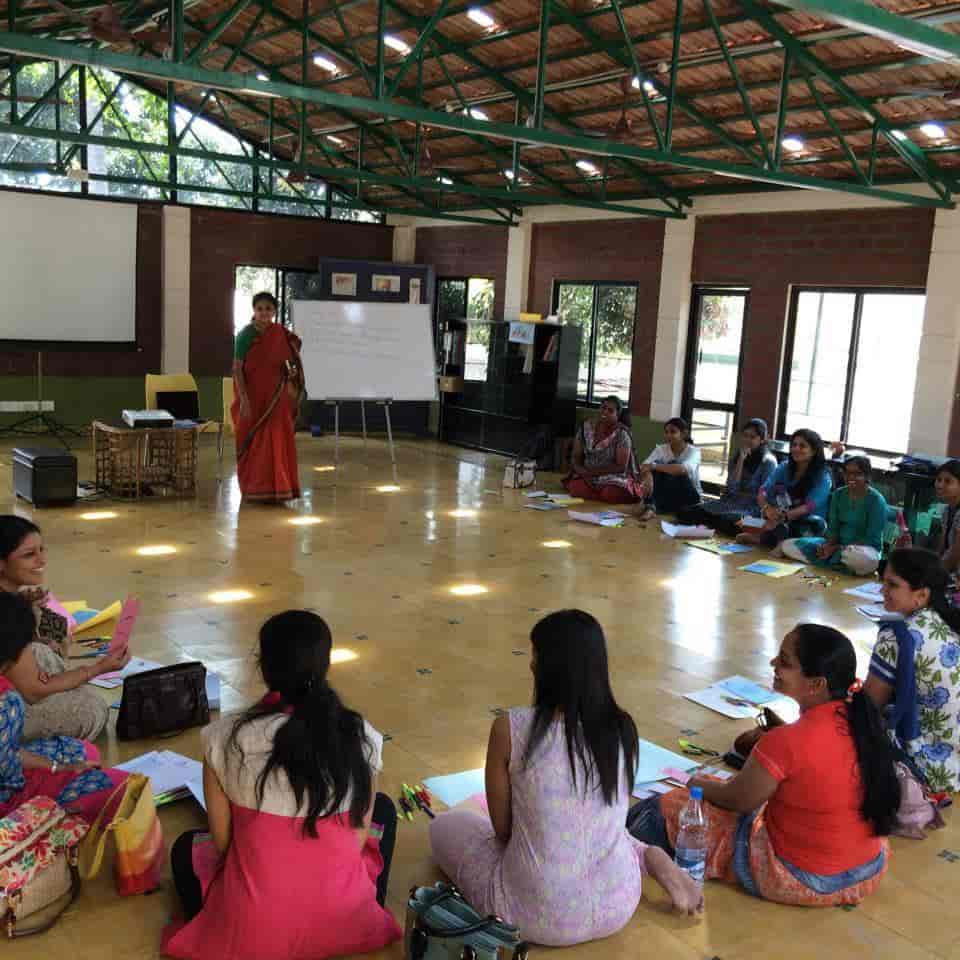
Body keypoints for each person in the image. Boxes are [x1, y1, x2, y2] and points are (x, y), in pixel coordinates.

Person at [429, 610, 703, 947]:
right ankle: (653, 857)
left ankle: (645, 857)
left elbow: (503, 832)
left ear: (550, 669)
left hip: (530, 914)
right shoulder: (622, 727)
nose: (530, 666)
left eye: (536, 657)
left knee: (445, 826)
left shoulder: (510, 728)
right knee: (596, 831)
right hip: (618, 903)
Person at [163, 610, 401, 960]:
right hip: (344, 922)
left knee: (186, 849)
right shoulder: (360, 738)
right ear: (326, 665)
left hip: (255, 930)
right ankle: (349, 913)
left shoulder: (222, 739)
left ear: (263, 668)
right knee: (383, 809)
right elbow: (358, 839)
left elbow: (226, 845)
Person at [629, 623, 899, 906]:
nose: (773, 664)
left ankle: (615, 856)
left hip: (806, 878)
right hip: (867, 868)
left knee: (669, 808)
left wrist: (697, 785)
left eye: (784, 662)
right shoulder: (863, 724)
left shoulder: (787, 740)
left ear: (816, 684)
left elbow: (739, 801)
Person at [0, 592, 128, 823]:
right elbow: (9, 780)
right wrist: (57, 781)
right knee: (120, 787)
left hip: (7, 762)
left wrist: (57, 768)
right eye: (29, 554)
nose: (40, 561)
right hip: (9, 802)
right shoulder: (7, 703)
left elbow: (8, 753)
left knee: (85, 752)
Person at [0, 516, 129, 741]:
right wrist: (98, 668)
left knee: (43, 652)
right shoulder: (8, 610)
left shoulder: (15, 602)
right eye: (29, 555)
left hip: (16, 684)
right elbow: (32, 689)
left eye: (41, 550)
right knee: (92, 708)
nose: (42, 560)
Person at [865, 548, 960, 793]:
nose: (881, 590)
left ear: (921, 596)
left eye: (892, 584)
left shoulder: (896, 637)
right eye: (883, 581)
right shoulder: (946, 624)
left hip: (927, 767)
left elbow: (867, 708)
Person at [232, 291, 305, 504]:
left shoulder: (281, 334)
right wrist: (244, 399)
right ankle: (254, 488)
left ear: (274, 311)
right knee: (253, 442)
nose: (264, 313)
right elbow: (237, 369)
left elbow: (292, 364)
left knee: (278, 440)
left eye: (268, 309)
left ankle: (279, 488)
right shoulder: (245, 335)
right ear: (254, 311)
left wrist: (292, 377)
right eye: (260, 308)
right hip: (253, 400)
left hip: (277, 399)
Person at [781, 456, 886, 576]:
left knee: (859, 559)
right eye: (847, 473)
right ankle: (836, 561)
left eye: (857, 474)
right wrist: (827, 546)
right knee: (788, 545)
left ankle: (836, 560)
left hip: (863, 550)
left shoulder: (876, 501)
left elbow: (871, 539)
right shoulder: (838, 495)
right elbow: (833, 529)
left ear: (867, 476)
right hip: (837, 547)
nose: (851, 477)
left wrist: (838, 548)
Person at [676, 418, 777, 536]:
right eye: (745, 436)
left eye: (752, 437)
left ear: (762, 439)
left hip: (750, 508)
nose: (748, 440)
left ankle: (712, 523)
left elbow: (765, 496)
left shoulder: (768, 462)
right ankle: (712, 523)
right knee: (684, 512)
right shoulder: (738, 456)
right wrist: (741, 461)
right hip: (729, 502)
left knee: (730, 521)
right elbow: (732, 488)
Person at [736, 428, 831, 550]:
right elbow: (763, 491)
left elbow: (809, 507)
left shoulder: (823, 476)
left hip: (806, 523)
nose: (796, 449)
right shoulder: (784, 467)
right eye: (794, 445)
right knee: (742, 522)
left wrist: (783, 517)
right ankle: (772, 539)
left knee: (791, 530)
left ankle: (769, 540)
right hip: (780, 518)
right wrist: (767, 509)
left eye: (802, 446)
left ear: (814, 451)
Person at [563, 396, 644, 504]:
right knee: (575, 488)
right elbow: (576, 456)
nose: (605, 412)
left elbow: (620, 466)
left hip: (613, 476)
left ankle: (600, 494)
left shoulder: (622, 434)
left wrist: (593, 472)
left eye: (610, 410)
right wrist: (580, 470)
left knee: (610, 493)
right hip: (588, 474)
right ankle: (600, 495)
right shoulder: (586, 427)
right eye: (603, 408)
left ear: (617, 415)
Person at [635, 417, 703, 519]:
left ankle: (652, 507)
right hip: (669, 496)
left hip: (690, 498)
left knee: (670, 464)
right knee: (655, 467)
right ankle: (652, 508)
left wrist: (653, 467)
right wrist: (648, 476)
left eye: (673, 432)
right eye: (666, 432)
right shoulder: (661, 449)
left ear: (683, 434)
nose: (668, 435)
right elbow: (643, 466)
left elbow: (682, 470)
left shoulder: (694, 452)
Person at [934, 460, 960, 597]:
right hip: (952, 575)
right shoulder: (947, 511)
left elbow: (955, 555)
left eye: (948, 481)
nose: (940, 485)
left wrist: (932, 575)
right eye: (938, 480)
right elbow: (943, 549)